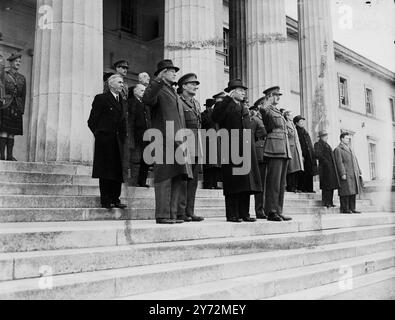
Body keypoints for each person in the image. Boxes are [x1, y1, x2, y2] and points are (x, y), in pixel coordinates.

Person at [143, 59, 193, 224]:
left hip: (178, 140)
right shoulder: (157, 88)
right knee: (164, 177)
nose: (174, 73)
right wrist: (157, 80)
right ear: (163, 73)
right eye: (171, 71)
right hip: (162, 139)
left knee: (177, 177)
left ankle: (172, 214)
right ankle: (162, 214)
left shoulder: (173, 91)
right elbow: (147, 99)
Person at [212, 79, 261, 223]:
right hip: (230, 146)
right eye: (240, 90)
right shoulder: (223, 104)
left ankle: (244, 213)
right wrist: (227, 98)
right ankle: (232, 214)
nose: (243, 93)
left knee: (246, 182)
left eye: (244, 91)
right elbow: (216, 117)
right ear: (232, 92)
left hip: (245, 147)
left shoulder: (244, 107)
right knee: (233, 181)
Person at [88, 75, 128, 210]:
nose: (122, 85)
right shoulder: (101, 98)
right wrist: (100, 135)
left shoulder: (122, 101)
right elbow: (92, 121)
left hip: (119, 142)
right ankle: (105, 200)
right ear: (111, 84)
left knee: (117, 171)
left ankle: (116, 198)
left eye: (123, 82)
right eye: (120, 82)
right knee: (106, 171)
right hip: (105, 141)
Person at [259, 86, 292, 222]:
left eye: (278, 95)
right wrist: (267, 100)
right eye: (276, 95)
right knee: (273, 181)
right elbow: (263, 111)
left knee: (281, 183)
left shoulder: (277, 111)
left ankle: (278, 210)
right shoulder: (267, 109)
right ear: (270, 96)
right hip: (274, 148)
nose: (278, 97)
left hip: (283, 148)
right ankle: (271, 211)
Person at [177, 73, 205, 222]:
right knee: (183, 179)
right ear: (184, 86)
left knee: (193, 180)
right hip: (184, 143)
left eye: (196, 84)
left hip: (196, 144)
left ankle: (190, 211)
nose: (195, 86)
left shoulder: (196, 103)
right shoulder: (179, 101)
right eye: (192, 84)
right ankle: (181, 212)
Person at [0, 53, 26, 161]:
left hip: (17, 106)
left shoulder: (22, 78)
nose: (18, 63)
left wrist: (22, 109)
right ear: (10, 63)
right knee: (4, 131)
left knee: (12, 133)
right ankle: (1, 155)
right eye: (16, 61)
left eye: (19, 61)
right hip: (6, 105)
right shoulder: (4, 75)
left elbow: (23, 95)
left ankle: (9, 156)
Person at [128, 84, 151, 188]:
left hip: (147, 136)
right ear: (135, 91)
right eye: (141, 90)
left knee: (146, 160)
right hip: (137, 136)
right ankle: (134, 181)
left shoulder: (145, 104)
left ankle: (142, 181)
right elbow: (130, 122)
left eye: (144, 90)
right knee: (136, 160)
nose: (144, 92)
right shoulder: (131, 102)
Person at [334, 132, 363, 214]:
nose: (348, 140)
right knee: (345, 192)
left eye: (348, 138)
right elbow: (339, 163)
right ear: (342, 139)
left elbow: (355, 160)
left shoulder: (350, 148)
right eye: (346, 138)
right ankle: (345, 209)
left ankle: (352, 208)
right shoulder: (338, 149)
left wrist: (359, 170)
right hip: (346, 173)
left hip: (353, 173)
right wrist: (342, 173)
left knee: (353, 192)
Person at [250, 98, 268, 219]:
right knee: (260, 184)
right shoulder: (255, 119)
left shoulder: (265, 119)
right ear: (260, 106)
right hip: (259, 152)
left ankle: (266, 208)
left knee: (267, 183)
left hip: (267, 151)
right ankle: (259, 209)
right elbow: (250, 136)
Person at [314, 130, 340, 208]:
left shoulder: (327, 145)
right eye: (325, 136)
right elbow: (318, 154)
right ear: (321, 137)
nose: (326, 137)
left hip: (331, 168)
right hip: (324, 168)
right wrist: (326, 162)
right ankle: (326, 202)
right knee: (326, 186)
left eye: (326, 136)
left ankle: (330, 202)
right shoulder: (318, 144)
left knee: (331, 185)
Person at [294, 115, 318, 193]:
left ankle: (309, 188)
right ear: (296, 123)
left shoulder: (305, 131)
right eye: (300, 121)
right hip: (302, 154)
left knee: (309, 171)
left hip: (309, 155)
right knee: (302, 172)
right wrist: (301, 154)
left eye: (303, 121)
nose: (302, 123)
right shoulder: (296, 131)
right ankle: (301, 187)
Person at [201, 98, 221, 189]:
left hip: (217, 141)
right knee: (209, 164)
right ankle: (208, 183)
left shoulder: (216, 115)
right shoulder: (204, 115)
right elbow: (206, 123)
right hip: (208, 141)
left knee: (216, 164)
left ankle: (215, 183)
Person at [284, 111, 304, 193]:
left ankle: (294, 186)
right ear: (287, 116)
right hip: (290, 148)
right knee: (291, 169)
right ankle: (290, 187)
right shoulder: (286, 124)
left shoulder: (292, 124)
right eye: (290, 115)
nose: (292, 116)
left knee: (296, 169)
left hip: (295, 149)